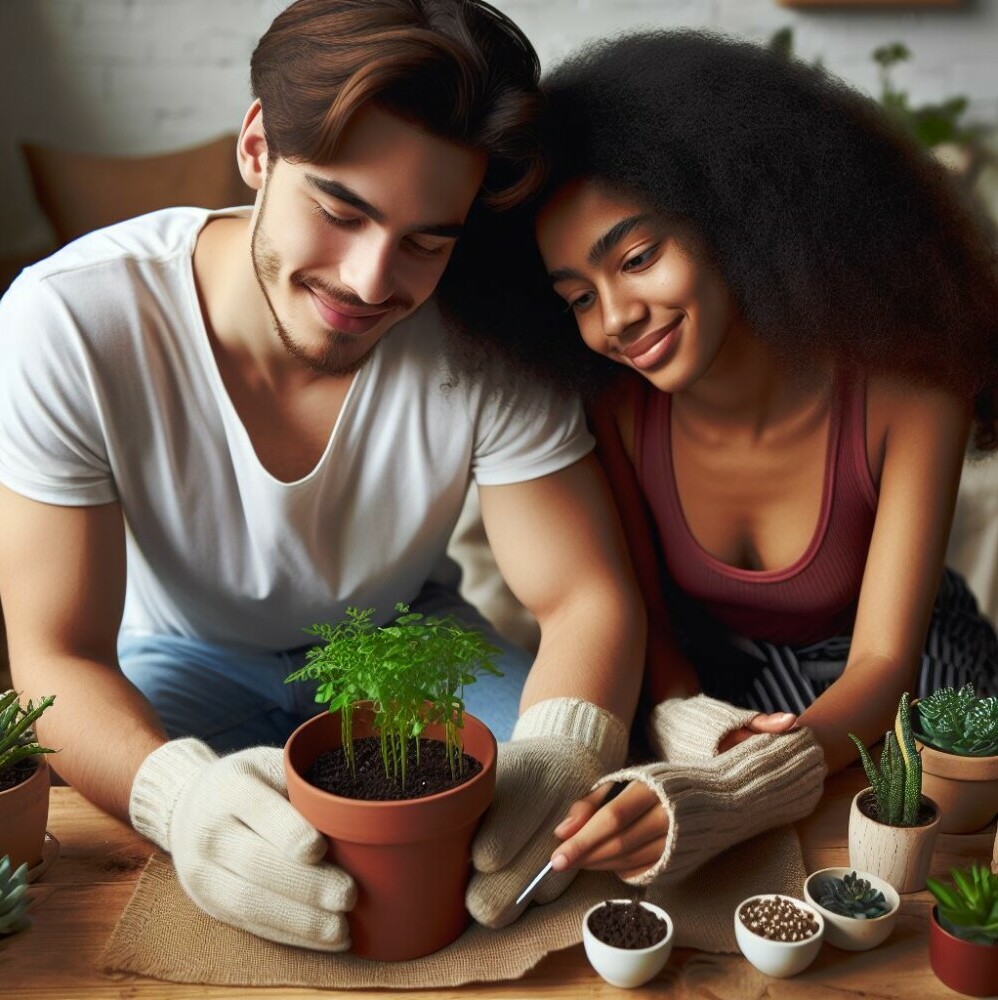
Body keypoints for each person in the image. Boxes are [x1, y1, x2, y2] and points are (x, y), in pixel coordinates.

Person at [0, 0, 649, 951]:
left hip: (409, 641)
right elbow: (55, 656)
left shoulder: (490, 333)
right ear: (257, 148)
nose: (372, 280)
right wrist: (184, 803)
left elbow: (588, 597)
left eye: (429, 239)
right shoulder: (71, 319)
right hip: (181, 658)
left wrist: (563, 753)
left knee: (562, 829)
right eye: (341, 210)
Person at [439, 29, 998, 895]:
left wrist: (747, 782)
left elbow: (885, 665)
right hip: (716, 676)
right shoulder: (615, 404)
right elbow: (643, 614)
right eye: (578, 298)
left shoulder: (910, 393)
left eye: (637, 258)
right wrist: (686, 719)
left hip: (904, 671)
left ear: (739, 219)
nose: (616, 318)